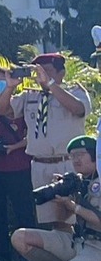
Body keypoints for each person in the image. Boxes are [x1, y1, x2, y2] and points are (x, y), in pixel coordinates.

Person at [10, 136, 101, 261]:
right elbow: (64, 219)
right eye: (72, 155)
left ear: (95, 155)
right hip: (77, 240)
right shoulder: (77, 181)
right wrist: (60, 196)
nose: (76, 159)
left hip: (96, 246)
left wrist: (74, 207)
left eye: (81, 154)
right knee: (20, 237)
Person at [15, 52, 90, 238]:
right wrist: (8, 85)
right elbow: (3, 110)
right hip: (40, 163)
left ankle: (74, 260)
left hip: (67, 163)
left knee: (70, 217)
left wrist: (50, 84)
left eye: (47, 71)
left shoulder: (75, 91)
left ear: (61, 72)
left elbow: (78, 109)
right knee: (52, 221)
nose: (41, 75)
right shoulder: (30, 95)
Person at [0, 64, 34, 255]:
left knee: (24, 213)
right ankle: (1, 256)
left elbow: (35, 135)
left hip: (18, 166)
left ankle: (28, 257)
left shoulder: (20, 103)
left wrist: (14, 147)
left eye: (1, 80)